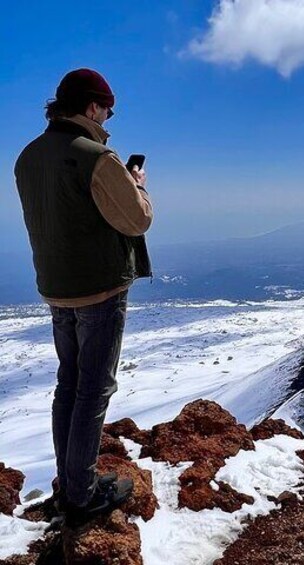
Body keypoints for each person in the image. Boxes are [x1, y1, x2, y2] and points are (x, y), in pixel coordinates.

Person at [14, 68, 153, 528]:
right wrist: (137, 183)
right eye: (108, 108)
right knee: (93, 389)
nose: (110, 116)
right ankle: (82, 493)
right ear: (92, 106)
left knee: (68, 386)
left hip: (56, 287)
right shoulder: (97, 156)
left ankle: (68, 484)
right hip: (100, 287)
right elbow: (136, 221)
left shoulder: (28, 157)